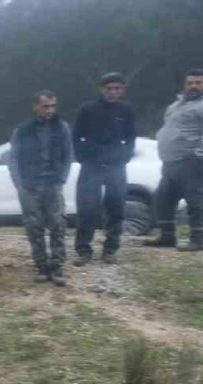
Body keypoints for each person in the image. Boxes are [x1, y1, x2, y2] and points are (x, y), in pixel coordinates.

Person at [9, 90, 73, 286]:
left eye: (53, 106)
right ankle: (41, 266)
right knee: (33, 227)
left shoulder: (62, 128)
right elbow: (14, 159)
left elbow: (67, 156)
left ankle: (57, 265)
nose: (50, 110)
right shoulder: (23, 130)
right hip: (30, 185)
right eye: (46, 106)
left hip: (53, 183)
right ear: (35, 106)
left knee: (58, 224)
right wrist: (19, 185)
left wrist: (61, 179)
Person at [72, 72, 136, 265]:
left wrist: (125, 156)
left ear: (122, 90)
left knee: (116, 206)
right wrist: (83, 156)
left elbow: (131, 136)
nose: (113, 92)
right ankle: (84, 250)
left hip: (116, 165)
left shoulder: (126, 109)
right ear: (102, 89)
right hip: (91, 165)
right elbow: (76, 136)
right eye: (109, 89)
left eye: (117, 89)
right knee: (88, 207)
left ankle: (110, 249)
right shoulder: (88, 108)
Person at [147, 68, 203, 251]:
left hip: (192, 160)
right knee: (163, 198)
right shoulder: (177, 104)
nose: (193, 86)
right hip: (170, 161)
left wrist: (200, 154)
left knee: (195, 200)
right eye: (190, 83)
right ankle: (167, 237)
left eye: (198, 83)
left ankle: (197, 240)